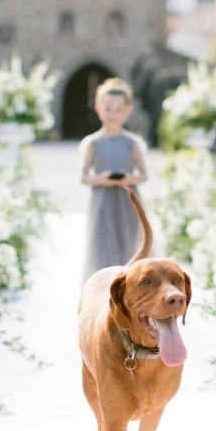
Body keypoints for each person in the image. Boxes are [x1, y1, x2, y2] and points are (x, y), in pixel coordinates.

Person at [80, 78, 148, 284]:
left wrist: (129, 178)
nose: (113, 115)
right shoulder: (93, 142)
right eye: (108, 109)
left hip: (128, 200)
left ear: (127, 111)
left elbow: (143, 175)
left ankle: (130, 285)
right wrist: (100, 179)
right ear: (99, 109)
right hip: (103, 200)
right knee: (103, 243)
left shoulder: (132, 143)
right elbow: (83, 176)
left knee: (129, 241)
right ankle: (104, 286)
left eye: (118, 110)